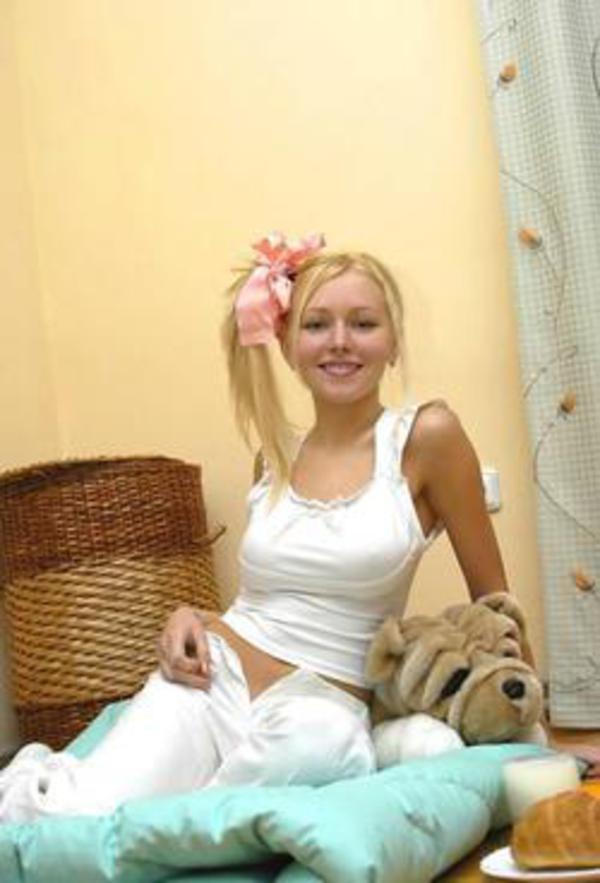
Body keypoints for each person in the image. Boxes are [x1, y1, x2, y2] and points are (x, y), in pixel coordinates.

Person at [0, 234, 596, 824]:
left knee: (306, 749)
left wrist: (538, 736)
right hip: (213, 680)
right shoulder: (274, 457)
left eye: (363, 323)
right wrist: (191, 614)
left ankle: (175, 825)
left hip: (319, 713)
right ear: (287, 345)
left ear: (393, 342)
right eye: (316, 325)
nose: (339, 341)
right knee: (69, 816)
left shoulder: (427, 438)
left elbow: (494, 602)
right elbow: (270, 601)